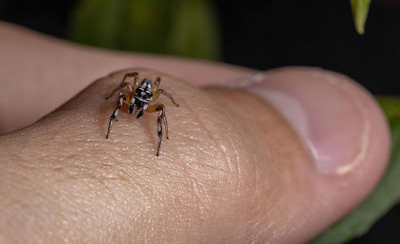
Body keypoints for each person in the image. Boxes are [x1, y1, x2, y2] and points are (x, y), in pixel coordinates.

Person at [0, 22, 390, 243]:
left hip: (152, 93)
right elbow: (127, 86)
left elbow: (163, 99)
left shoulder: (154, 101)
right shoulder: (131, 91)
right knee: (125, 88)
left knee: (160, 107)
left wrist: (160, 134)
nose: (139, 105)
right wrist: (116, 103)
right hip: (135, 89)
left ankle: (159, 142)